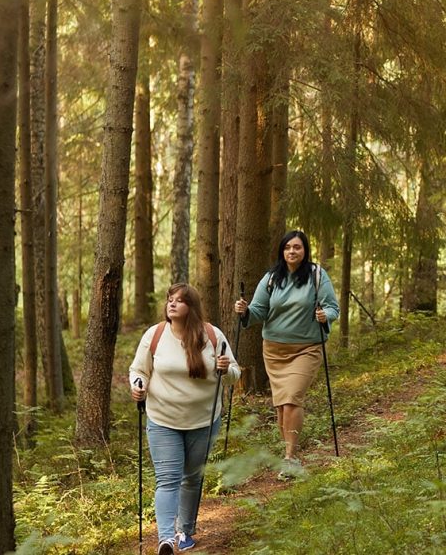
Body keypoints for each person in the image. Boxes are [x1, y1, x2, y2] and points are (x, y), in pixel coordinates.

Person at [130, 283, 240, 555]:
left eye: (179, 300)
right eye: (170, 299)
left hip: (203, 420)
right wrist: (138, 384)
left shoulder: (212, 336)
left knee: (191, 478)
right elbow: (138, 369)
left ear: (191, 307)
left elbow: (236, 373)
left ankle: (185, 531)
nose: (172, 304)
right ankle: (166, 539)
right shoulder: (154, 335)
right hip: (162, 420)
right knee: (167, 479)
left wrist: (227, 369)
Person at [234, 229, 339, 475]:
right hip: (274, 350)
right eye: (288, 247)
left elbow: (333, 307)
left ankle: (290, 458)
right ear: (282, 251)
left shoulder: (316, 275)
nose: (292, 251)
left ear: (305, 250)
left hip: (307, 348)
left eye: (297, 247)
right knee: (282, 406)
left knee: (292, 398)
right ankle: (287, 454)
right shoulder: (272, 277)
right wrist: (245, 310)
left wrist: (326, 316)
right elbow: (258, 311)